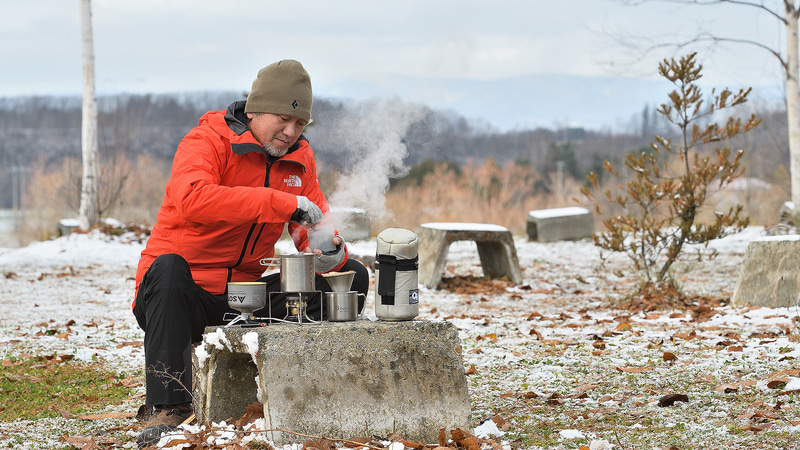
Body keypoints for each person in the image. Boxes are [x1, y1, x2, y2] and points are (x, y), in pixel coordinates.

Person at [131, 59, 369, 448]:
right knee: (169, 268)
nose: (290, 132)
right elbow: (192, 199)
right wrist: (280, 203)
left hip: (244, 301)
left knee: (352, 280)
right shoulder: (206, 141)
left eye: (300, 124)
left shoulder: (300, 158)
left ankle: (309, 390)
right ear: (255, 109)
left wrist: (331, 252)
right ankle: (168, 407)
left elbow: (312, 224)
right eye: (282, 119)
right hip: (178, 300)